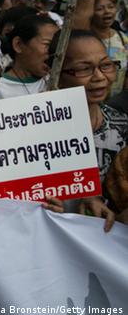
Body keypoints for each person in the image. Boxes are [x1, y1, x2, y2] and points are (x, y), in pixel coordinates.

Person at [56, 29, 124, 231]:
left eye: (106, 65)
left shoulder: (122, 125)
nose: (99, 77)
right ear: (56, 73)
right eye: (84, 69)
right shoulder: (32, 128)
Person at [0, 14, 58, 100]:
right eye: (47, 44)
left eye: (57, 46)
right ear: (18, 45)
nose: (54, 51)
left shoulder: (56, 82)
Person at [91, 0, 128, 95]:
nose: (107, 11)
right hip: (92, 100)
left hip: (116, 103)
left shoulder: (122, 38)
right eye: (99, 9)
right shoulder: (86, 39)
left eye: (111, 7)